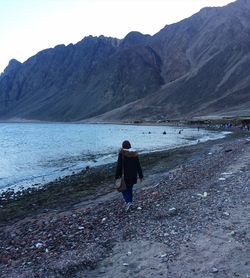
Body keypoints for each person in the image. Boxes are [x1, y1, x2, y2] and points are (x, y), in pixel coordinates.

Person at [115, 140, 143, 212]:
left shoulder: (122, 154)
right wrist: (140, 176)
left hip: (125, 176)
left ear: (123, 146)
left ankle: (128, 202)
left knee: (123, 190)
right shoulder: (134, 153)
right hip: (133, 176)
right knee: (129, 189)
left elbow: (119, 166)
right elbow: (138, 165)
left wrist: (116, 176)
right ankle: (130, 203)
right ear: (130, 146)